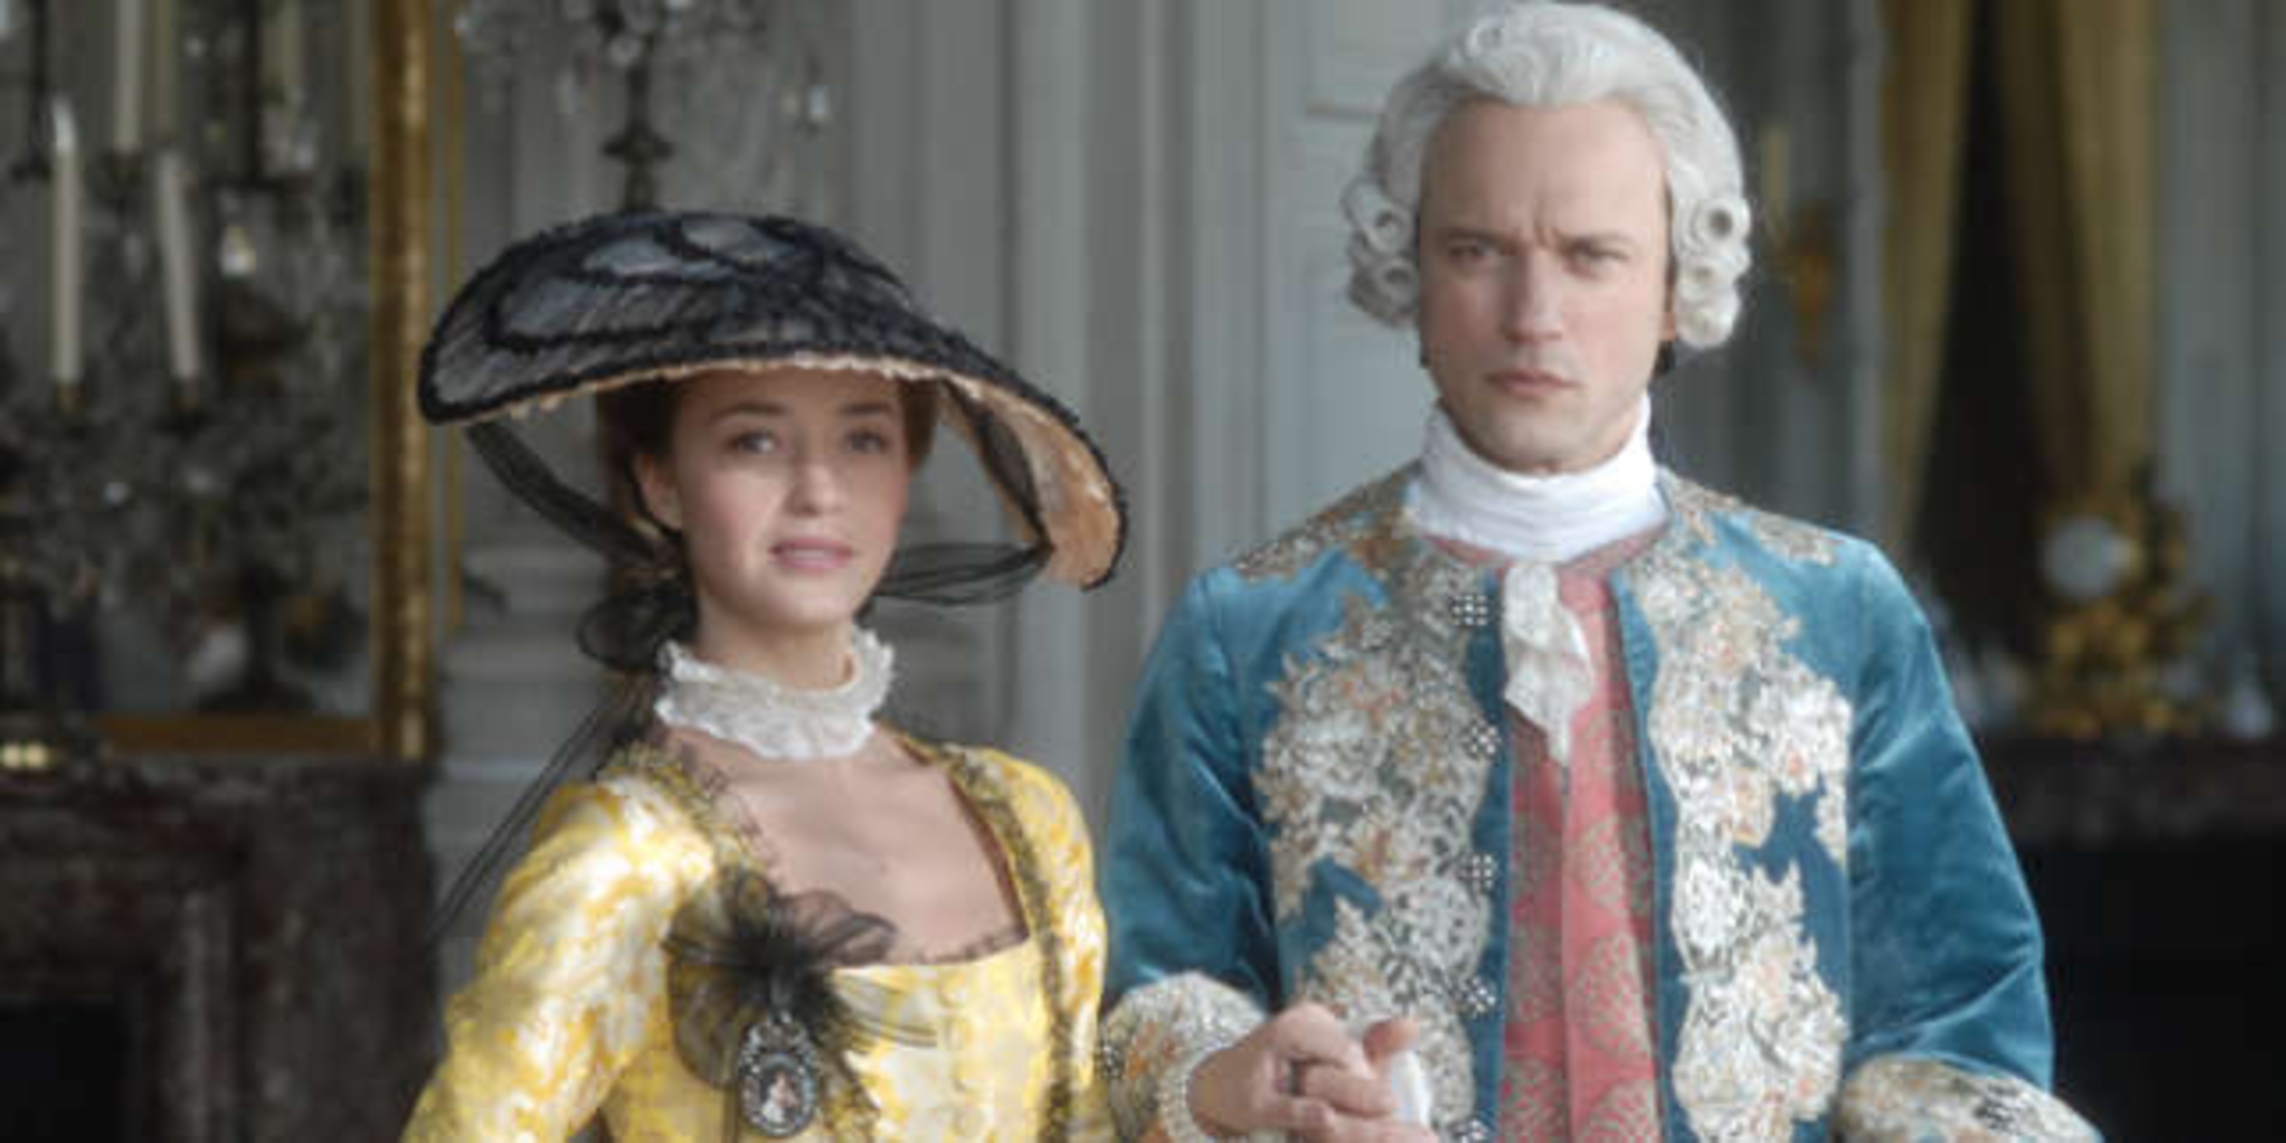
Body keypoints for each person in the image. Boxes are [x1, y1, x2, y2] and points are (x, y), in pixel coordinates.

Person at [1097, 4, 2096, 1140]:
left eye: (1590, 256)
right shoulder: (1248, 629)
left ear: (1675, 286)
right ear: (1410, 272)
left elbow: (1960, 1017)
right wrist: (1231, 1081)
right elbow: (1148, 1008)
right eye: (1477, 251)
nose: (1534, 315)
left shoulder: (1840, 612)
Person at [401, 211, 1125, 1140]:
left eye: (864, 440)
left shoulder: (1027, 818)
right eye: (755, 440)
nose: (819, 489)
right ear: (662, 481)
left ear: (908, 469)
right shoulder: (626, 859)